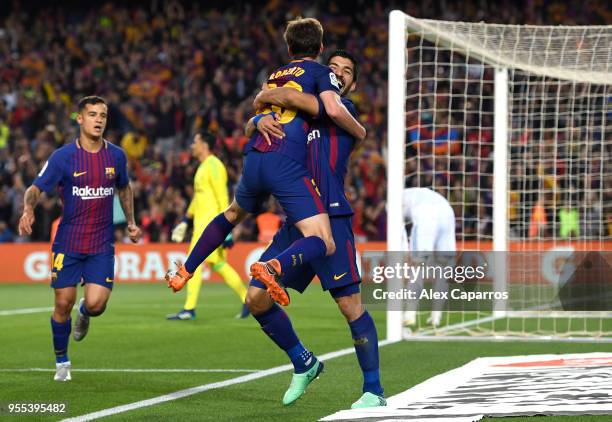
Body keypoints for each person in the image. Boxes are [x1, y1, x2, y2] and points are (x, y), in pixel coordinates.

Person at [166, 18, 365, 308]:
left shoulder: (275, 75)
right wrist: (361, 132)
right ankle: (272, 267)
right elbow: (331, 108)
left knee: (232, 214)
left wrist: (259, 110)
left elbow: (259, 111)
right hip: (285, 162)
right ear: (321, 48)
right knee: (324, 240)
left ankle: (185, 270)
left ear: (288, 48)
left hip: (254, 157)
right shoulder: (322, 74)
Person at [244, 50, 385, 409]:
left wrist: (266, 96)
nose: (337, 73)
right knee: (256, 298)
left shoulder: (340, 109)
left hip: (331, 215)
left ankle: (373, 391)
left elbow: (290, 96)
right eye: (332, 67)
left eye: (346, 71)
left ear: (351, 84)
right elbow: (262, 118)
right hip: (298, 219)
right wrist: (258, 119)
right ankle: (303, 361)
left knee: (349, 304)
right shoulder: (303, 110)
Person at [18, 96, 141, 382]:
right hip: (69, 242)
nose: (99, 120)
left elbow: (124, 188)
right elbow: (36, 188)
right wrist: (28, 208)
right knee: (63, 304)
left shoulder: (116, 156)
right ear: (80, 119)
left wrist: (132, 222)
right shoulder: (63, 157)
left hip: (100, 244)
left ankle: (84, 313)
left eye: (103, 115)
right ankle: (62, 361)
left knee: (97, 304)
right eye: (93, 114)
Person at [167, 132, 249, 320]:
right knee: (211, 264)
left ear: (204, 144)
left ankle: (191, 309)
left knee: (206, 264)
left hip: (211, 227)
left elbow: (222, 197)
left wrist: (226, 230)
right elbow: (198, 198)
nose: (192, 146)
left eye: (195, 142)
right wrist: (186, 220)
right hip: (201, 225)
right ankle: (191, 308)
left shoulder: (214, 165)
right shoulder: (203, 167)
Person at [401, 187, 456, 328]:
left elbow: (398, 228)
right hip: (447, 210)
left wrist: (405, 250)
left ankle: (409, 315)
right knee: (444, 267)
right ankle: (436, 317)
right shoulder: (415, 192)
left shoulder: (394, 201)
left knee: (417, 266)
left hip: (426, 212)